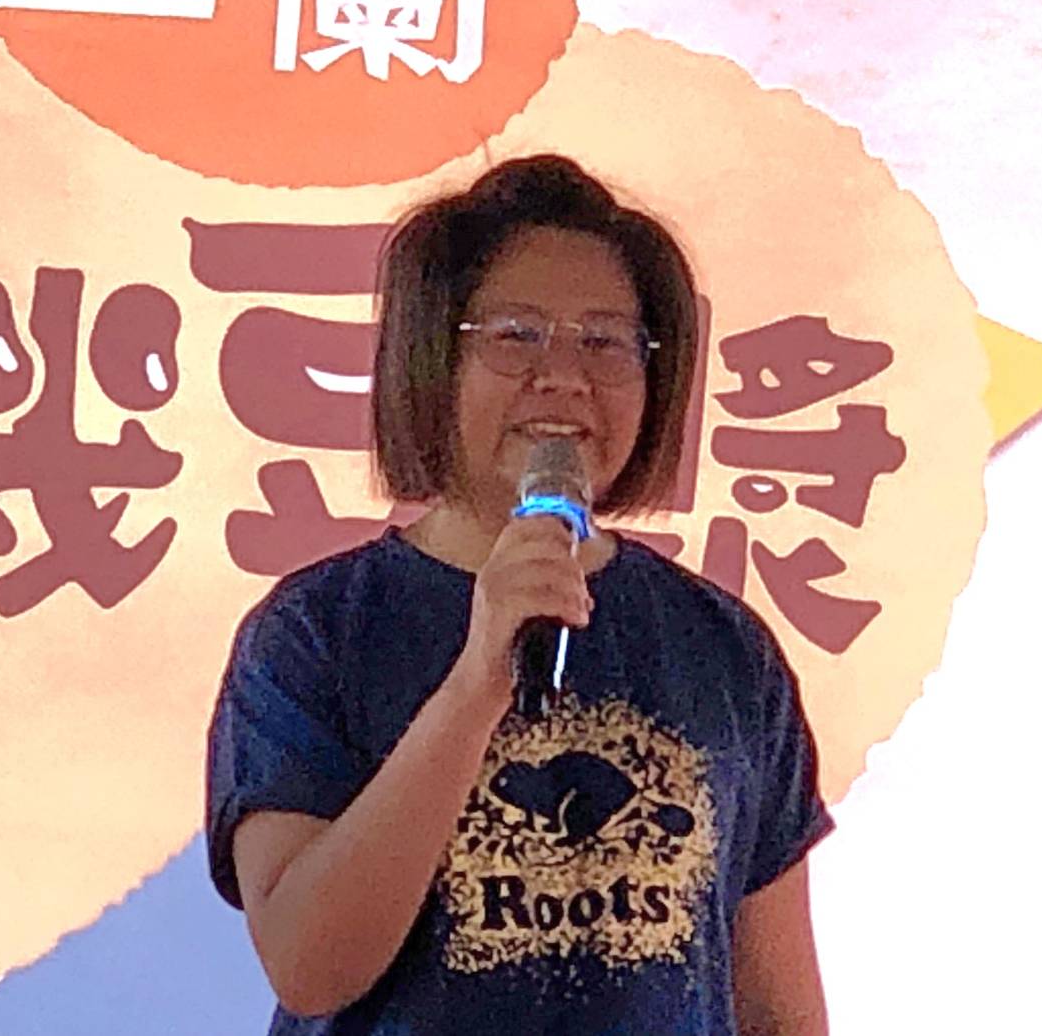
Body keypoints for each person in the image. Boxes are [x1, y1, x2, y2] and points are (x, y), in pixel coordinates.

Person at [205, 155, 834, 1035]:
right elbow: (310, 966)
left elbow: (778, 1008)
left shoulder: (723, 646)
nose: (565, 376)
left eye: (606, 342)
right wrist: (477, 682)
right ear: (433, 360)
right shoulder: (316, 634)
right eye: (516, 335)